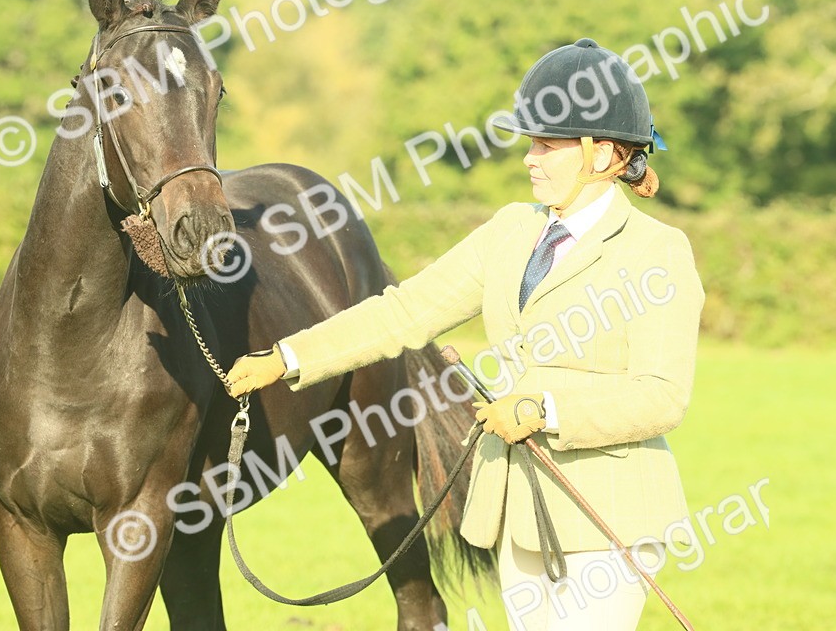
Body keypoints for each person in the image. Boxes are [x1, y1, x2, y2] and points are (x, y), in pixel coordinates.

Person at [228, 38, 704, 631]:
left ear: (602, 153)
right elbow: (405, 310)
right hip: (519, 505)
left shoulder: (658, 252)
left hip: (609, 513)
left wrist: (543, 408)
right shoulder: (510, 230)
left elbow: (663, 394)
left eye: (547, 145)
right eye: (531, 142)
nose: (530, 158)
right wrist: (290, 356)